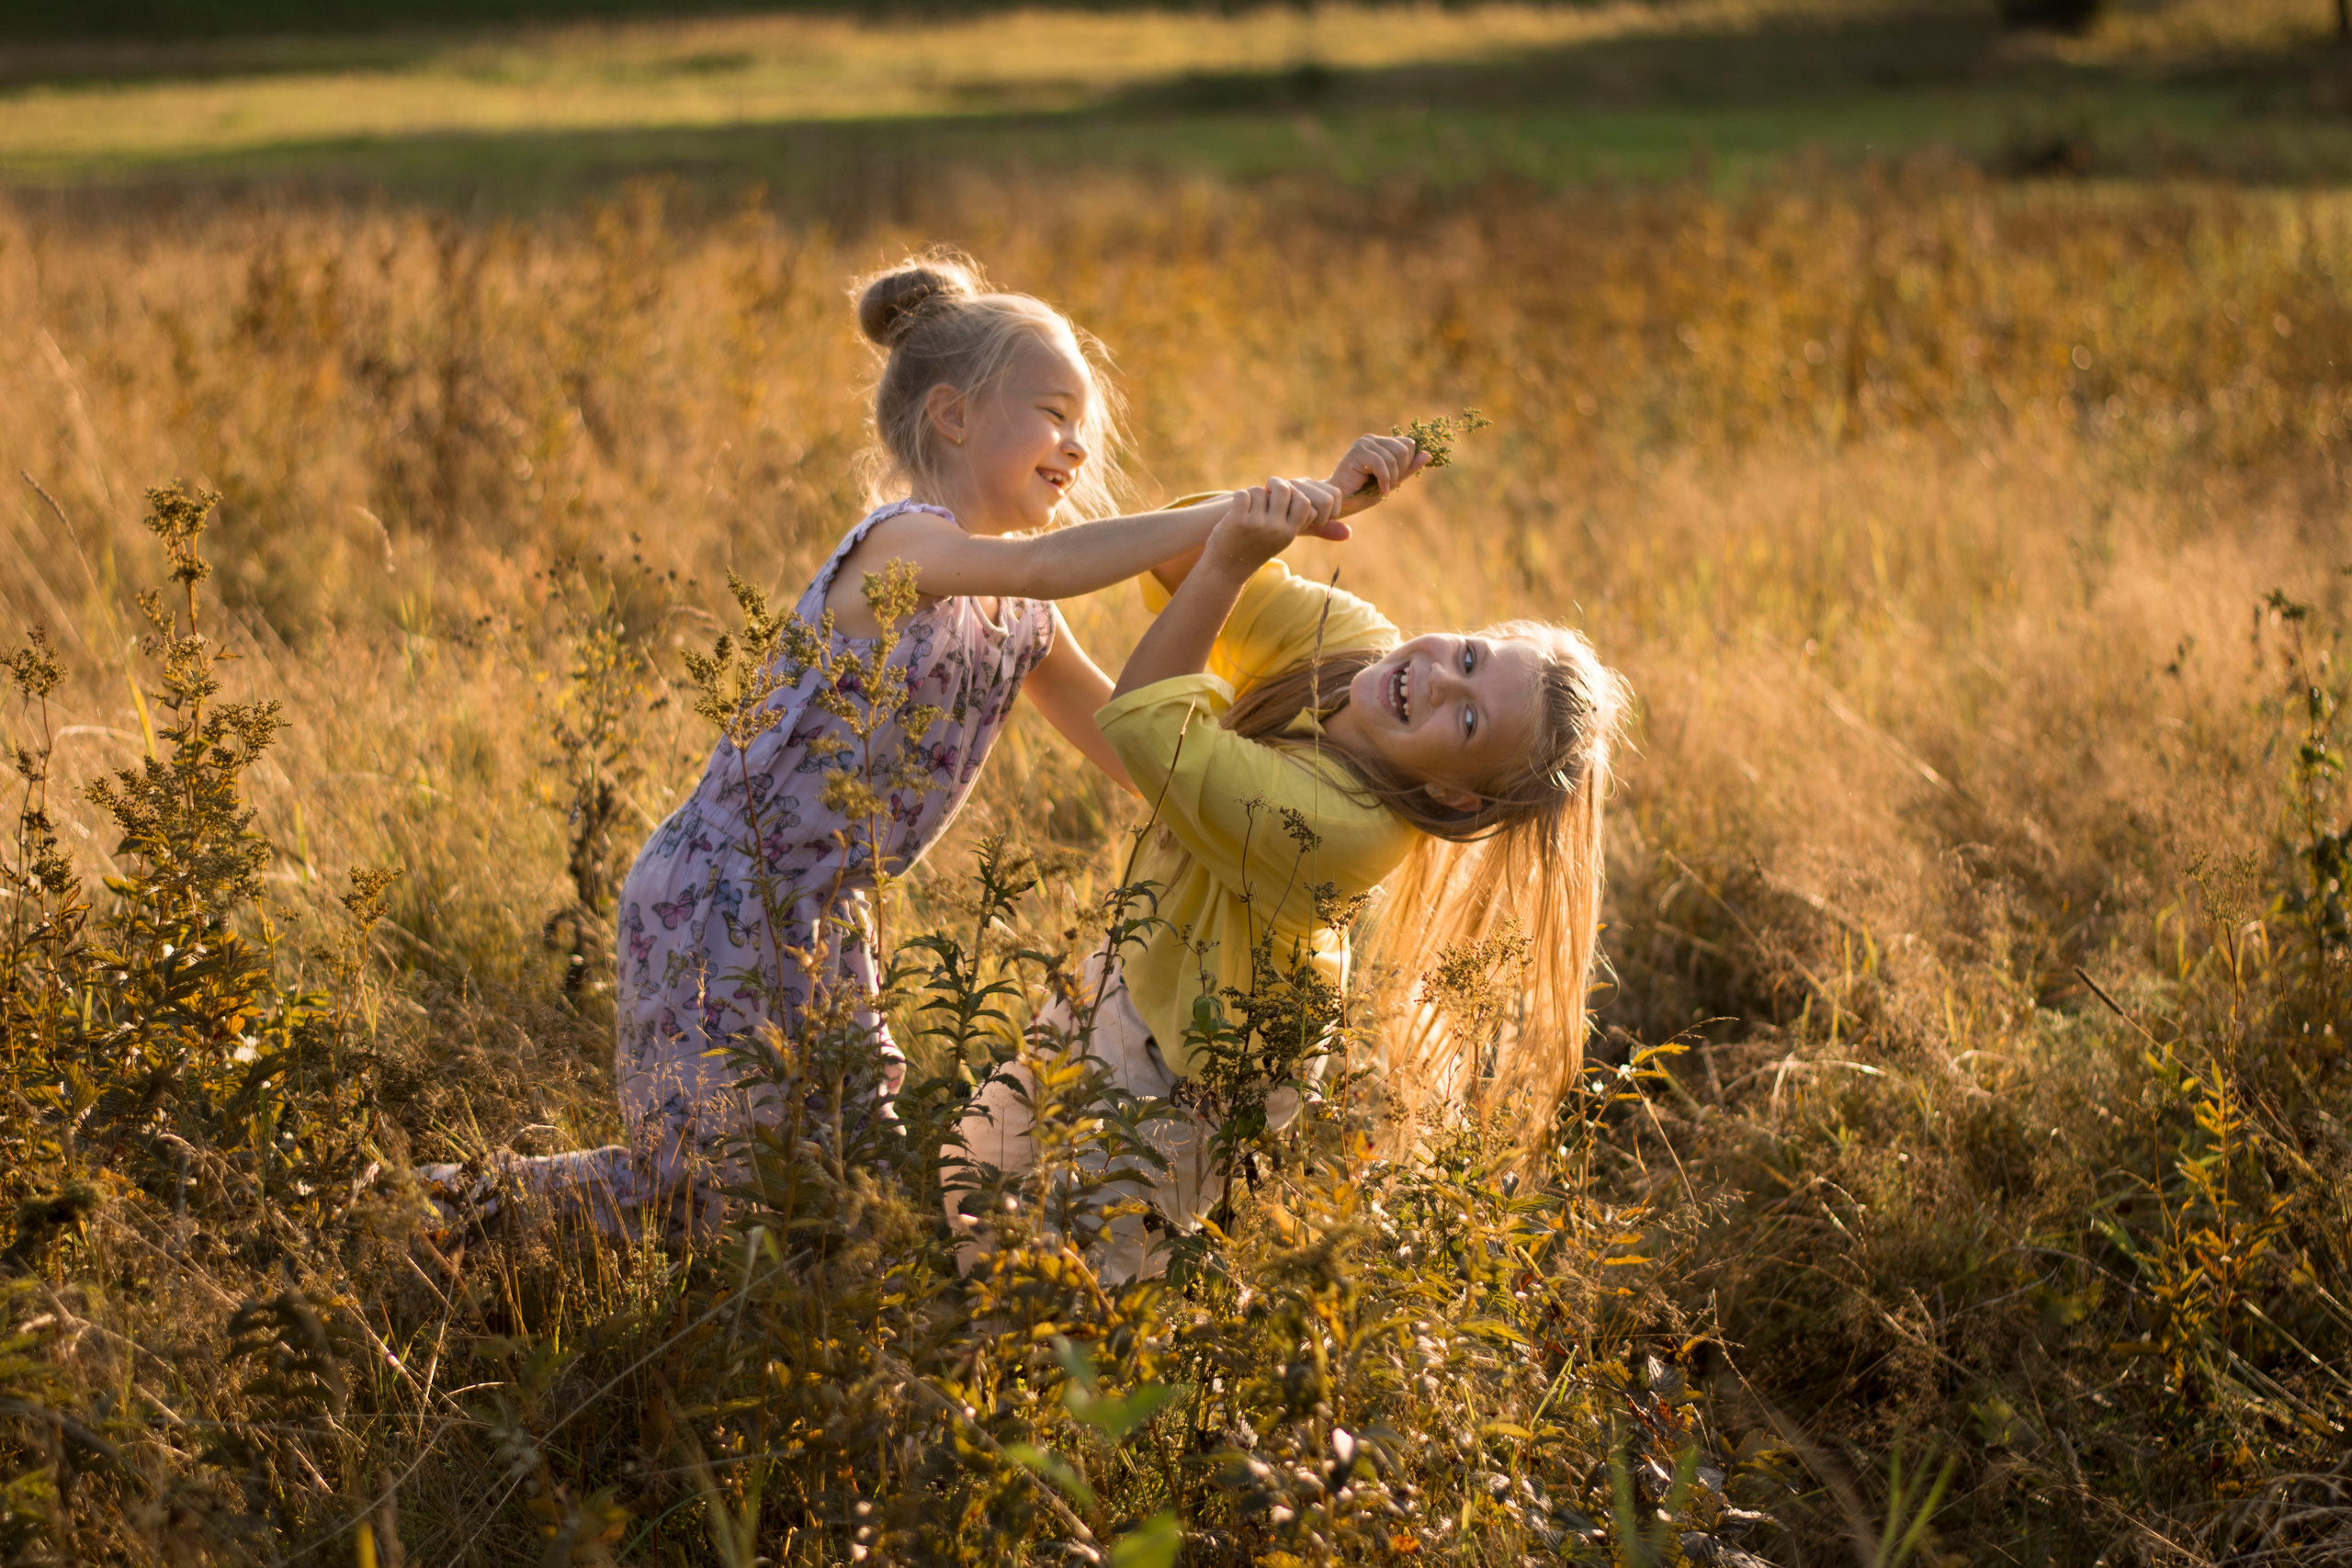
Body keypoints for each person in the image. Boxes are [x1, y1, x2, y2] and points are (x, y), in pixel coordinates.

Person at [420, 249, 1414, 1237]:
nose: (1077, 449)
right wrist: (1280, 508)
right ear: (952, 415)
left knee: (841, 1183)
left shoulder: (1022, 621)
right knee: (697, 1190)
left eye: (1085, 427)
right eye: (1054, 415)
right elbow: (1055, 564)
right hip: (724, 895)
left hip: (828, 917)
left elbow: (1143, 752)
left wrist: (1293, 792)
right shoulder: (900, 546)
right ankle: (421, 1215)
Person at [949, 473, 1629, 1282]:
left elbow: (1146, 722)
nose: (1440, 678)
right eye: (1470, 656)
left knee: (1072, 1292)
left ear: (1455, 793)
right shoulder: (1357, 646)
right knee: (971, 1188)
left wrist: (1229, 564)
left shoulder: (1348, 828)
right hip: (1135, 975)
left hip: (1184, 1082)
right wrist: (1312, 499)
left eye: (1469, 718)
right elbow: (1172, 550)